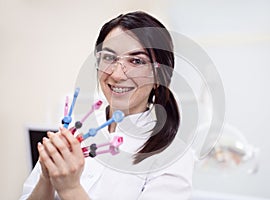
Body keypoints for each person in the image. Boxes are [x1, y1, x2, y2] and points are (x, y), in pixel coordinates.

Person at [20, 11, 195, 200]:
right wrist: (47, 178)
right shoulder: (75, 129)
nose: (117, 74)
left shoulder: (174, 156)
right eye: (109, 58)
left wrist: (70, 189)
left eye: (136, 61)